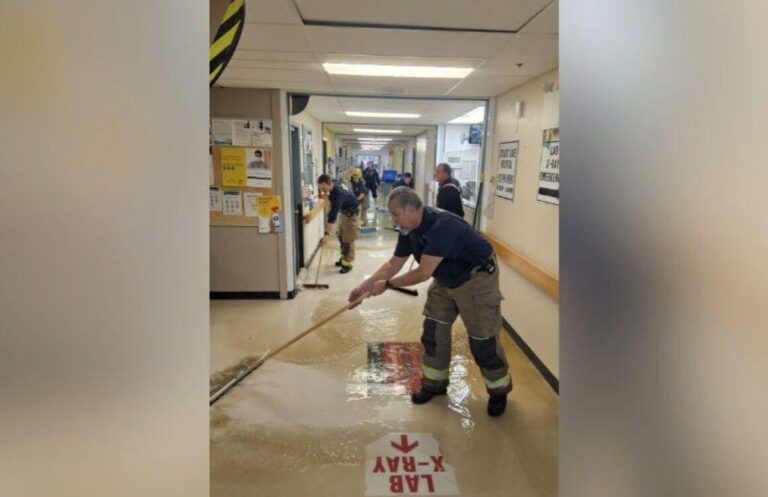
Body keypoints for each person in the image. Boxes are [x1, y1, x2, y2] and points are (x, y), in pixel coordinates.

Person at [348, 187, 512, 416]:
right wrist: (362, 288)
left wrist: (388, 285)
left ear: (413, 209)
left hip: (475, 279)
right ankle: (434, 384)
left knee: (482, 340)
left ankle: (498, 390)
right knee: (434, 331)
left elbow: (423, 273)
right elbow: (392, 265)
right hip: (445, 277)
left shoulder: (442, 227)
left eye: (396, 214)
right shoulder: (408, 229)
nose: (393, 220)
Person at [318, 174, 359, 273]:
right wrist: (325, 194)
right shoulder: (333, 182)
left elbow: (332, 218)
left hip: (352, 213)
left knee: (348, 239)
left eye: (324, 188)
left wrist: (326, 235)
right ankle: (344, 258)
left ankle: (348, 263)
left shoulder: (338, 195)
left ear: (328, 184)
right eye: (321, 188)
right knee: (341, 236)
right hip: (345, 212)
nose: (323, 190)